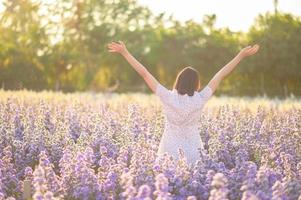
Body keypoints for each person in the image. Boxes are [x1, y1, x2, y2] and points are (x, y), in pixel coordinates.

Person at [108, 41, 260, 165]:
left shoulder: (167, 97)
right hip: (194, 150)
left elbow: (144, 73)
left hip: (169, 151)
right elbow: (220, 74)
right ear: (196, 83)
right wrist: (240, 56)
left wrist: (125, 53)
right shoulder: (200, 98)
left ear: (178, 80)